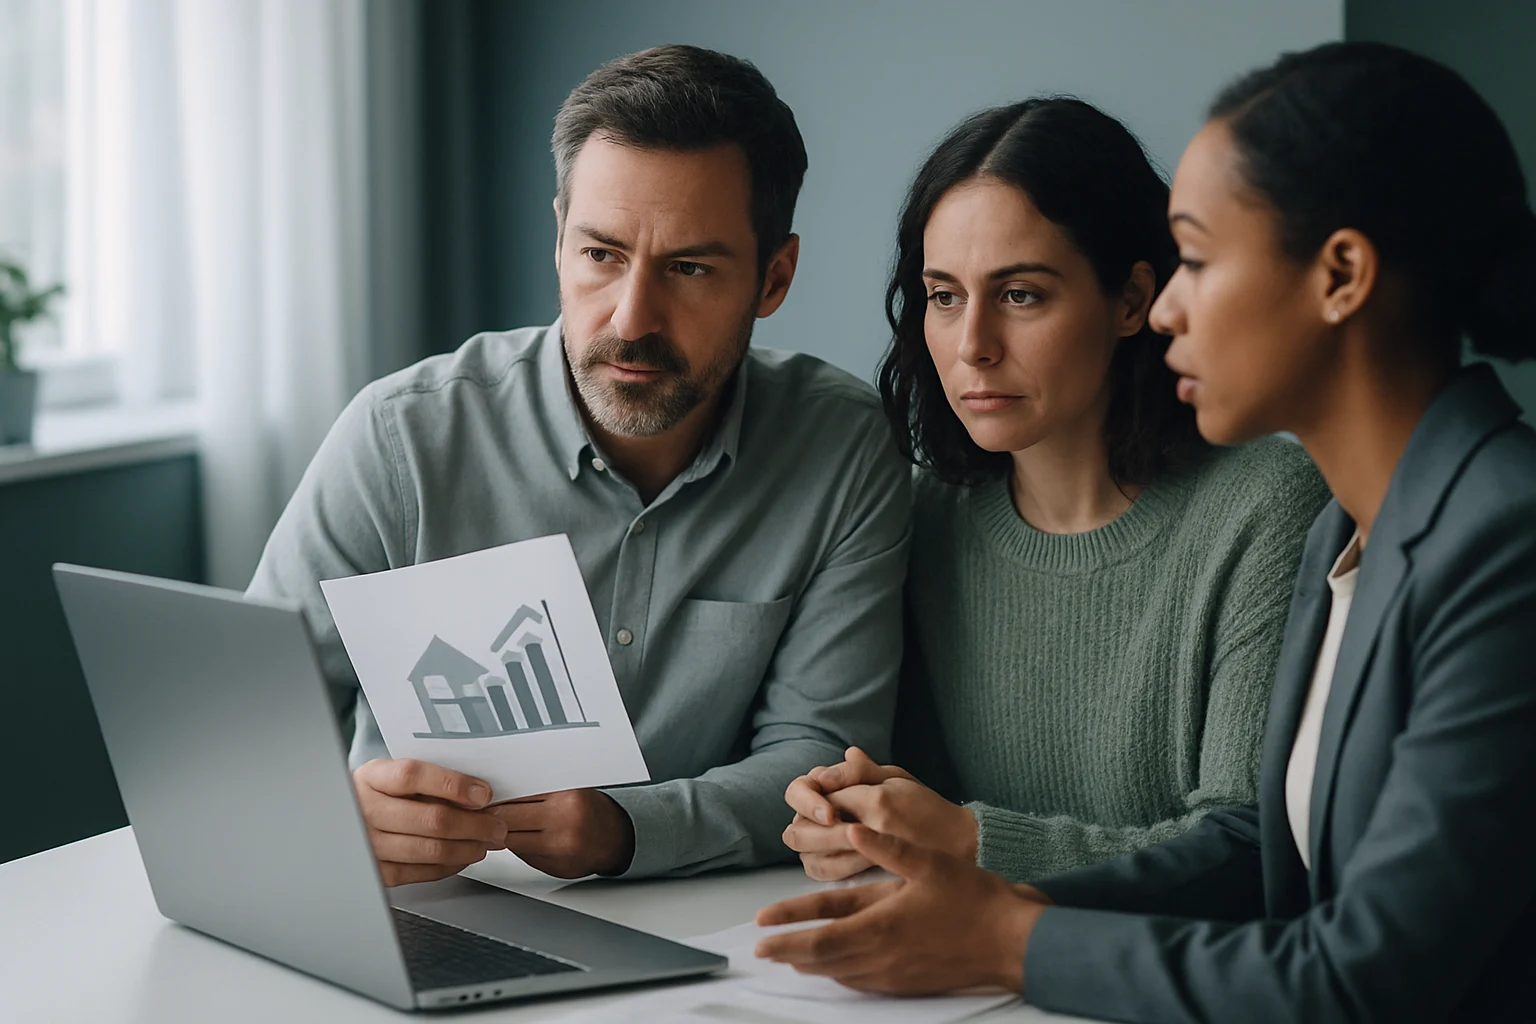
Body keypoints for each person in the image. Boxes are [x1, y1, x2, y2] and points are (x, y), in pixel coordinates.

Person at [754, 41, 1536, 1023]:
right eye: (942, 295)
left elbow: (1361, 972)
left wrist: (1005, 933)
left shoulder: (1501, 539)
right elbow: (1267, 867)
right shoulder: (1359, 523)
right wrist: (981, 899)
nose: (1167, 307)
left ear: (1341, 275)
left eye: (1198, 261)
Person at [248, 45, 911, 884]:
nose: (633, 318)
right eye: (601, 255)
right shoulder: (400, 438)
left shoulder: (842, 450)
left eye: (690, 268)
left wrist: (627, 830)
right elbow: (248, 738)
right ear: (559, 237)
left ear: (773, 278)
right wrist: (332, 814)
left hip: (704, 934)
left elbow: (818, 759)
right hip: (421, 912)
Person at [780, 97, 1327, 885]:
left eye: (1020, 294)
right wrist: (850, 815)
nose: (973, 346)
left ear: (1134, 300)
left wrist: (972, 842)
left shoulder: (1268, 505)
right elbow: (911, 795)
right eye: (944, 295)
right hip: (964, 986)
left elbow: (1249, 857)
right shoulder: (921, 513)